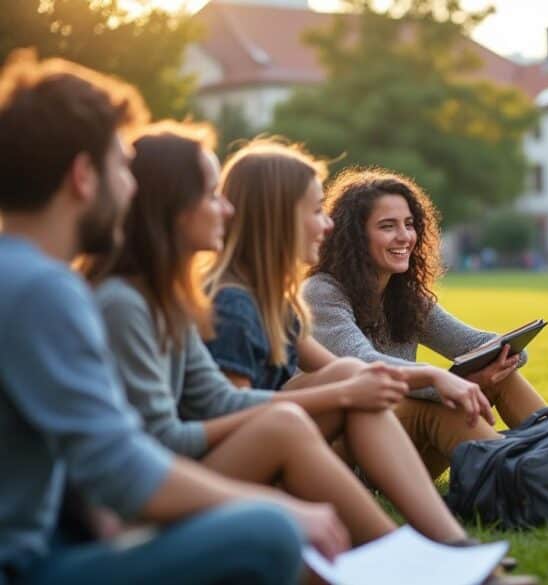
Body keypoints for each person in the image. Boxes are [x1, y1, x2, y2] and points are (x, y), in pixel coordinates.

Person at [0, 50, 345, 585]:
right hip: (27, 565)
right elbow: (122, 469)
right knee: (268, 534)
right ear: (83, 176)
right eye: (121, 166)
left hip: (59, 536)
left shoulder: (25, 278)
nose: (132, 187)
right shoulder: (44, 289)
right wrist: (281, 511)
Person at [85, 123, 478, 550]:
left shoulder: (172, 300)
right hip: (154, 495)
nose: (227, 209)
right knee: (289, 422)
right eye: (213, 195)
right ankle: (421, 557)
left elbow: (221, 400)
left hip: (195, 467)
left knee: (340, 380)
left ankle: (448, 547)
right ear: (176, 207)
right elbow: (170, 438)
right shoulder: (138, 305)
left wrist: (366, 386)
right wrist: (344, 395)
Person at [303, 168, 548, 506]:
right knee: (448, 403)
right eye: (387, 226)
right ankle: (541, 485)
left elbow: (481, 345)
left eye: (409, 224)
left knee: (499, 377)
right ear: (354, 235)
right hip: (350, 459)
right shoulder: (322, 293)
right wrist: (451, 382)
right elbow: (365, 366)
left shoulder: (404, 298)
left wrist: (502, 355)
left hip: (402, 454)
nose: (404, 237)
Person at [201, 138, 490, 546]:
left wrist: (408, 378)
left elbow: (343, 368)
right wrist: (422, 377)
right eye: (316, 210)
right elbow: (229, 413)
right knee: (348, 382)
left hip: (275, 447)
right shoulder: (232, 303)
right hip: (222, 470)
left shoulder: (272, 300)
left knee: (350, 375)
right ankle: (420, 546)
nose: (328, 224)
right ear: (277, 219)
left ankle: (449, 542)